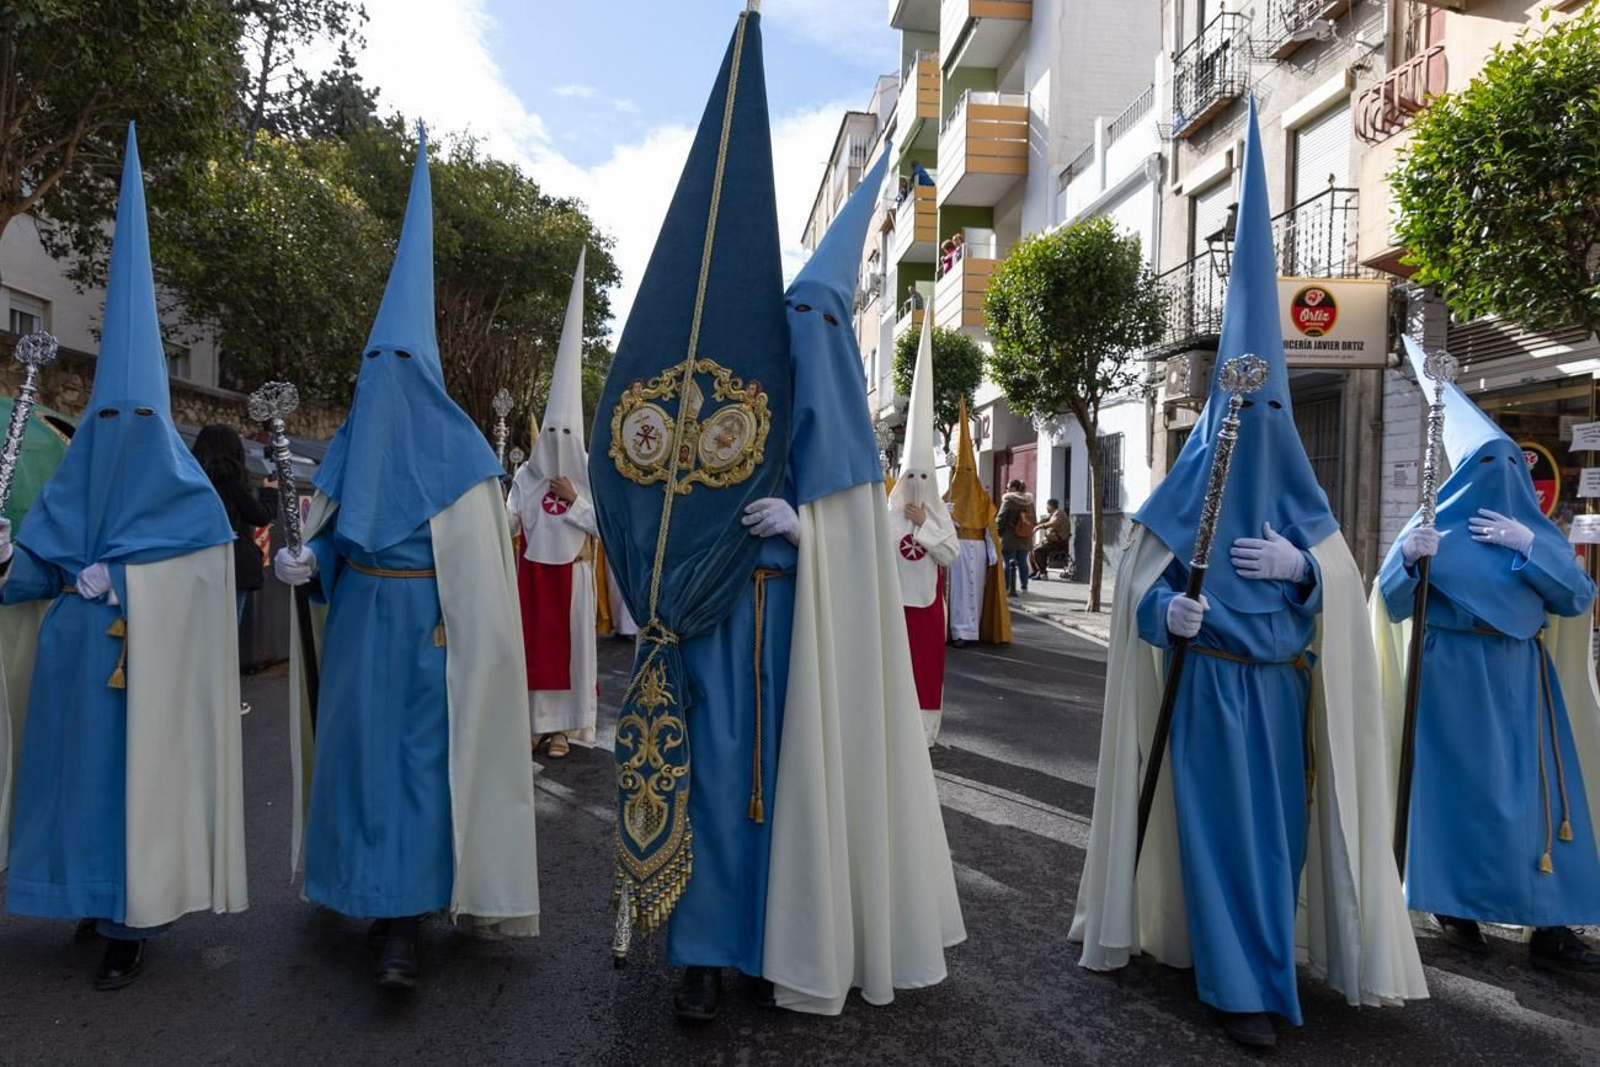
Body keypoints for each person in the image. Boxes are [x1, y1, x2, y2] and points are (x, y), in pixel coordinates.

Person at [591, 8, 963, 1022]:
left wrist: (815, 537)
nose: (804, 334)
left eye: (821, 319)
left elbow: (865, 560)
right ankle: (706, 948)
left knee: (799, 789)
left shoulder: (847, 448)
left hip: (800, 631)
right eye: (795, 315)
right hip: (719, 615)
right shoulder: (738, 386)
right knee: (713, 779)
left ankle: (790, 936)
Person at [1070, 100, 1426, 1049]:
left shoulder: (1305, 502)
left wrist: (1308, 573)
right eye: (1245, 405)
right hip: (1208, 689)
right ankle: (1242, 989)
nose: (1257, 425)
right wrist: (1160, 615)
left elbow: (1345, 601)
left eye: (1270, 406)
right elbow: (1139, 577)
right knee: (1224, 842)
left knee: (1276, 846)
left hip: (1281, 698)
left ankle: (1264, 967)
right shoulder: (1185, 486)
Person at [274, 127, 538, 990]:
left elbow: (484, 583)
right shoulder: (353, 437)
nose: (381, 375)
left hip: (431, 637)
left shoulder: (464, 455)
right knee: (357, 762)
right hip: (357, 627)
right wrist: (304, 560)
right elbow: (325, 525)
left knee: (421, 774)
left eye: (397, 361)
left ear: (419, 369)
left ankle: (405, 919)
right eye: (371, 361)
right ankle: (358, 889)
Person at [0, 124, 247, 990]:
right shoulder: (75, 468)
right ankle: (80, 894)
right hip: (74, 668)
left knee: (130, 793)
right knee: (72, 788)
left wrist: (132, 578)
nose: (118, 433)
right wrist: (14, 561)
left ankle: (129, 923)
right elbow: (29, 571)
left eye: (135, 418)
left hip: (144, 678)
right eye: (108, 416)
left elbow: (211, 575)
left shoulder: (186, 495)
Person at [1374, 335, 1600, 971]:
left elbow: (1576, 598)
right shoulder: (1427, 526)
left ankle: (1551, 925)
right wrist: (1410, 563)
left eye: (1509, 465)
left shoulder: (1540, 533)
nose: (1498, 480)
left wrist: (1529, 545)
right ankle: (1455, 904)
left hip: (1523, 675)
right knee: (1457, 795)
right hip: (1450, 676)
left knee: (1540, 799)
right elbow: (1388, 602)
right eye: (1484, 467)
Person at [506, 250, 597, 761]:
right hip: (533, 573)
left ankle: (564, 729)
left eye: (569, 432)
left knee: (571, 655)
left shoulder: (585, 476)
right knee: (531, 650)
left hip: (574, 574)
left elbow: (604, 526)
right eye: (554, 430)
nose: (560, 439)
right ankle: (534, 725)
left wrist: (574, 500)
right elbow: (510, 519)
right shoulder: (526, 474)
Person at [889, 316, 961, 743]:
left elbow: (949, 554)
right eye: (909, 476)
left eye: (923, 476)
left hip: (926, 606)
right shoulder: (887, 511)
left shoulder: (937, 514)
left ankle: (924, 735)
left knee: (926, 669)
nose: (916, 484)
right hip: (893, 606)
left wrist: (926, 529)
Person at [192, 424, 278, 715]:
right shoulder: (231, 480)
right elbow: (260, 517)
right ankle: (225, 699)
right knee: (227, 635)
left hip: (196, 565)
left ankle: (196, 697)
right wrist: (269, 493)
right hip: (233, 567)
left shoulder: (189, 477)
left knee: (200, 633)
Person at [944, 397, 1008, 648]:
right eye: (964, 473)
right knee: (959, 592)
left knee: (976, 590)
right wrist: (944, 513)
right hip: (957, 549)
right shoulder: (947, 496)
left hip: (978, 550)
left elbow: (990, 530)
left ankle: (973, 630)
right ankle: (958, 630)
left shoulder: (982, 498)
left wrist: (993, 552)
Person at [995, 480, 1035, 595]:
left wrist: (996, 532)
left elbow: (1001, 518)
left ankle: (1008, 588)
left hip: (1009, 537)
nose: (1006, 490)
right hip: (1025, 536)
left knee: (1007, 562)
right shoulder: (1029, 501)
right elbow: (1033, 518)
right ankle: (1024, 587)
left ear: (1013, 488)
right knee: (1022, 562)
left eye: (1008, 488)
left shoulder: (1009, 500)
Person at [1030, 498, 1073, 579]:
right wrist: (1037, 523)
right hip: (1051, 541)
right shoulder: (1053, 514)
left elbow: (1053, 523)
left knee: (1037, 551)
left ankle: (1043, 573)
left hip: (1058, 542)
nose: (1046, 508)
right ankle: (1036, 571)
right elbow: (1046, 520)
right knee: (1031, 550)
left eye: (1047, 506)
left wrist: (1040, 526)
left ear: (1050, 506)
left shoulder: (1059, 513)